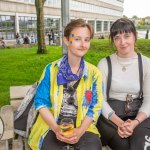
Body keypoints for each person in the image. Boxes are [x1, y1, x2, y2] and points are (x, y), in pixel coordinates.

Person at [28, 19, 103, 150]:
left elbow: (95, 107)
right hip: (51, 127)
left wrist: (80, 131)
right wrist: (57, 129)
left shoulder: (94, 74)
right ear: (66, 40)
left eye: (87, 40)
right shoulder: (51, 70)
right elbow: (41, 102)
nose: (83, 44)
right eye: (77, 39)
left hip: (83, 128)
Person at [96, 18, 150, 150]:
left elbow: (149, 99)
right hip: (110, 116)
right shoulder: (104, 64)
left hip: (138, 115)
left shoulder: (146, 63)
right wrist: (120, 123)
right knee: (124, 147)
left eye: (127, 36)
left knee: (139, 146)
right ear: (113, 41)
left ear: (135, 36)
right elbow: (100, 99)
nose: (122, 42)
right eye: (117, 38)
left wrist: (135, 123)